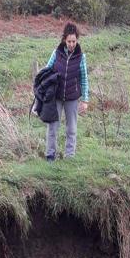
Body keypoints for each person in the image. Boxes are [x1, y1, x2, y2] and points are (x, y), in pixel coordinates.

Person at [43, 22, 89, 161]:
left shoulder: (81, 57)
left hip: (72, 97)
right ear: (64, 40)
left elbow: (84, 79)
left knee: (71, 129)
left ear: (77, 40)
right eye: (69, 41)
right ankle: (50, 155)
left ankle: (70, 157)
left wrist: (85, 100)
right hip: (56, 96)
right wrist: (43, 89)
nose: (71, 44)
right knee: (53, 128)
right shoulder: (56, 54)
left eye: (74, 41)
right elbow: (47, 70)